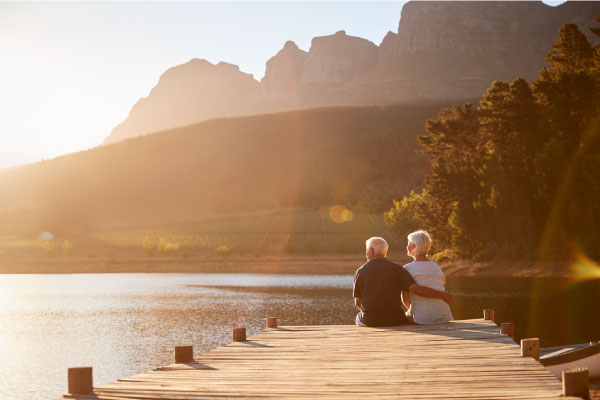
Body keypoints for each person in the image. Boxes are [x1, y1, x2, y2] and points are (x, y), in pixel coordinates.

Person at [353, 236, 451, 327]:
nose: (366, 252)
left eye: (366, 250)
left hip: (370, 321)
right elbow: (416, 289)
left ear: (371, 251)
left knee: (358, 317)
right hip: (396, 320)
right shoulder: (398, 269)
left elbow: (358, 303)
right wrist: (441, 294)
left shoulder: (360, 271)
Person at [402, 230, 454, 324]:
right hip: (444, 316)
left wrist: (412, 311)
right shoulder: (436, 266)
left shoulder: (407, 269)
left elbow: (405, 298)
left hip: (422, 319)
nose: (407, 246)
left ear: (414, 246)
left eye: (409, 243)